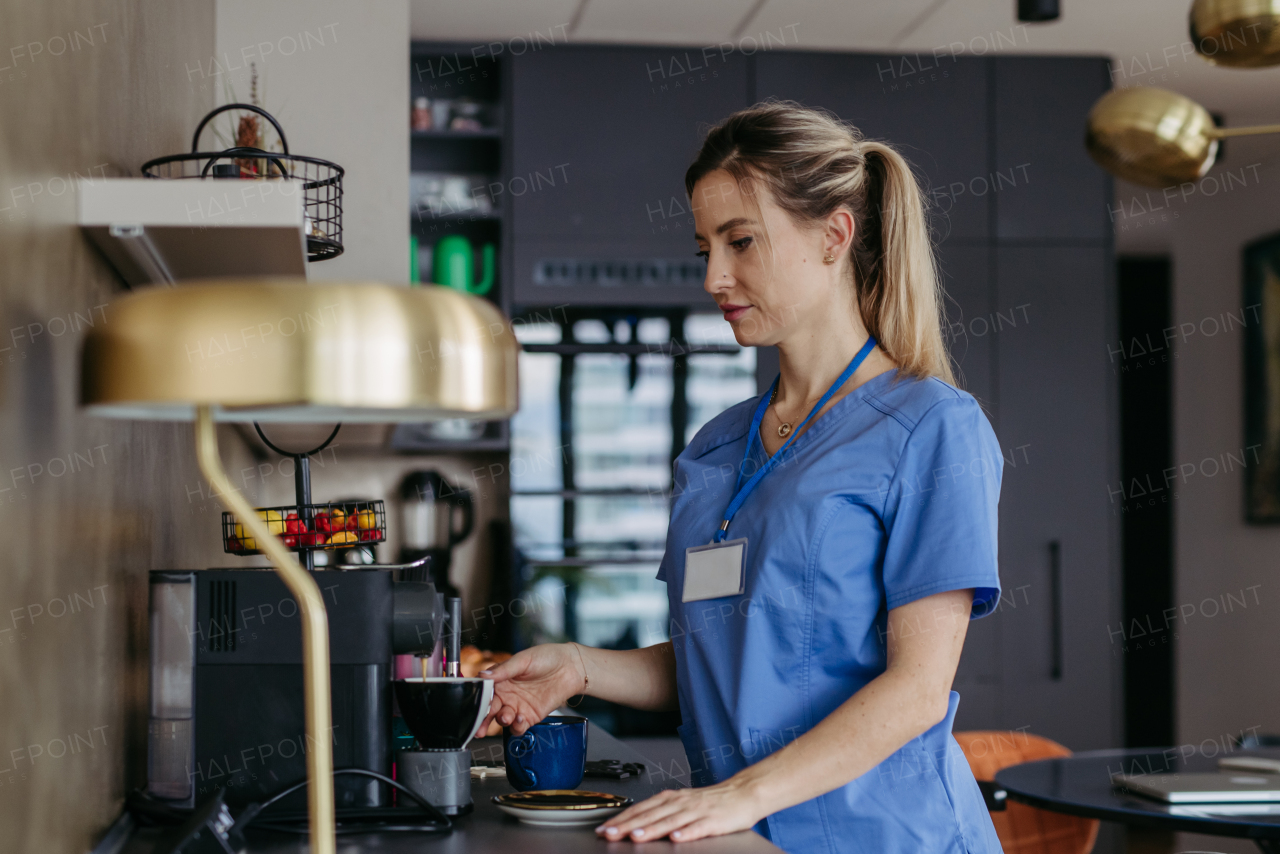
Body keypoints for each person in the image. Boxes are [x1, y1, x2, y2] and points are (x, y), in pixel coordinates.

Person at [479, 101, 1004, 852]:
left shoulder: (933, 428)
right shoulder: (718, 444)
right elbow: (718, 655)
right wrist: (577, 666)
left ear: (834, 236)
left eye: (741, 242)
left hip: (888, 835)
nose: (715, 277)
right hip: (742, 835)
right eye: (705, 250)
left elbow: (917, 689)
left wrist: (737, 796)